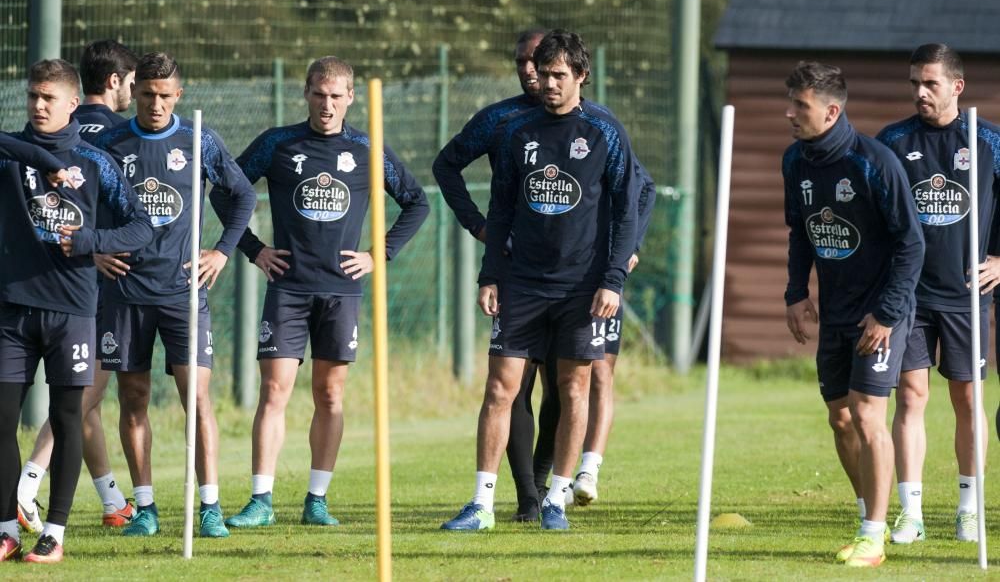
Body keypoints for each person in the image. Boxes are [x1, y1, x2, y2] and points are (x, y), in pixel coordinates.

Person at [441, 30, 638, 532]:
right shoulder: (515, 130)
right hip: (522, 283)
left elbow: (627, 206)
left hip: (582, 287)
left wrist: (612, 279)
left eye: (557, 75)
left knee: (573, 389)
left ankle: (556, 498)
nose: (546, 83)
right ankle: (482, 504)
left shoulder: (604, 132)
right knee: (500, 389)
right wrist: (491, 274)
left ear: (580, 77)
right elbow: (502, 205)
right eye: (541, 73)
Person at [220, 55, 429, 529]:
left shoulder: (366, 148)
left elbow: (416, 202)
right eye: (319, 94)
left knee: (329, 395)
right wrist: (253, 249)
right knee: (274, 391)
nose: (327, 104)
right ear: (307, 94)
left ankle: (317, 499)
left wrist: (379, 254)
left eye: (337, 96)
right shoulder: (278, 143)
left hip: (341, 293)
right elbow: (225, 189)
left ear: (351, 98)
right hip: (288, 288)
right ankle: (261, 500)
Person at [91, 52, 256, 539]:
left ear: (178, 96)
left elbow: (243, 195)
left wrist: (224, 251)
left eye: (165, 96)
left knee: (197, 401)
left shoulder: (200, 138)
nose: (156, 104)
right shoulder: (111, 142)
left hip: (184, 292)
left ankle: (208, 504)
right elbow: (86, 202)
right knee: (133, 397)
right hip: (124, 292)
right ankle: (145, 507)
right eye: (146, 94)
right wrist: (97, 250)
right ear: (133, 92)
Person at [0, 58, 152, 563]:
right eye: (32, 97)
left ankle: (56, 534)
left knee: (67, 420)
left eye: (49, 98)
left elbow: (139, 228)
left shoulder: (95, 161)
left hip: (73, 312)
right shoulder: (11, 155)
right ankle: (6, 529)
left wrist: (91, 239)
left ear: (71, 103)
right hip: (13, 310)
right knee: (2, 421)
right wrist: (44, 164)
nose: (39, 106)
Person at [782, 61, 924, 567]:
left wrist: (886, 314)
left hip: (881, 311)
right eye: (790, 103)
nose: (790, 114)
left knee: (867, 414)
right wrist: (796, 293)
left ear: (832, 111)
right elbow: (801, 232)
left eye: (801, 106)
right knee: (840, 418)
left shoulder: (875, 162)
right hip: (835, 312)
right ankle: (872, 513)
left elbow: (911, 243)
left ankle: (872, 536)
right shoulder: (794, 161)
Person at [876, 43, 1000, 544]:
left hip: (968, 294)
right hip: (910, 296)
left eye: (930, 83)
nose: (920, 92)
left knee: (968, 399)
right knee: (911, 397)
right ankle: (912, 513)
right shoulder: (892, 140)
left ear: (957, 86)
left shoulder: (989, 140)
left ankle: (969, 508)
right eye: (914, 83)